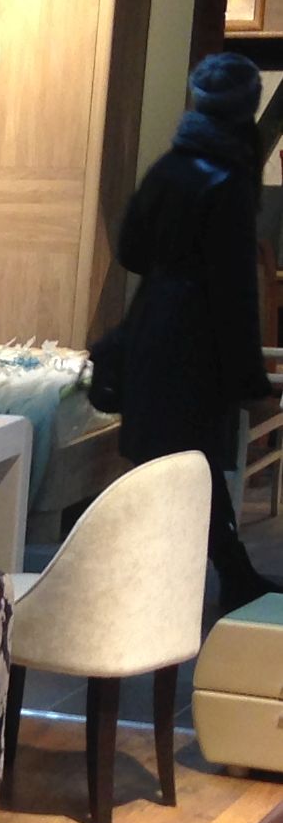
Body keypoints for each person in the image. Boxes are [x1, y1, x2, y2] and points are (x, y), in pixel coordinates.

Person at [107, 52, 279, 611]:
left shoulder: (170, 166)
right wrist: (251, 382)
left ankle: (196, 578)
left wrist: (170, 270)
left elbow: (131, 249)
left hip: (154, 326)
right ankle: (198, 580)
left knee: (170, 463)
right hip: (196, 343)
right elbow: (235, 291)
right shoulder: (229, 180)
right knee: (194, 464)